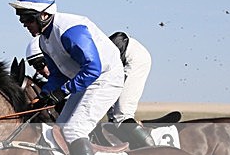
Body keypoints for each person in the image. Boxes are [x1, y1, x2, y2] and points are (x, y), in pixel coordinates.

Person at [10, 0, 121, 155]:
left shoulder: (70, 30)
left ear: (44, 15)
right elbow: (58, 75)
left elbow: (93, 68)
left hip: (104, 78)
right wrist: (44, 96)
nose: (24, 23)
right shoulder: (44, 40)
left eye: (28, 18)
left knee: (74, 130)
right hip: (86, 80)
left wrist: (62, 92)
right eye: (21, 18)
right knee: (58, 130)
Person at [25, 32, 155, 148]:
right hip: (114, 65)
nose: (39, 71)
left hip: (131, 58)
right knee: (112, 119)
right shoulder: (64, 57)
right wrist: (43, 96)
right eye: (35, 67)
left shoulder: (69, 55)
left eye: (40, 64)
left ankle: (153, 150)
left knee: (121, 115)